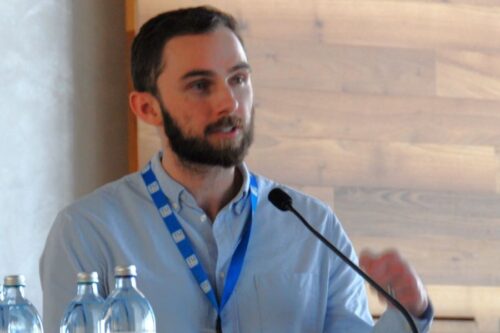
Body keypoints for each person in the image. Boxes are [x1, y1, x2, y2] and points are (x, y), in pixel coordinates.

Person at [40, 6, 433, 333]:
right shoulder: (88, 232)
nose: (229, 103)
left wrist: (410, 313)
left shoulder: (312, 227)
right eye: (200, 86)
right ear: (147, 108)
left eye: (239, 79)